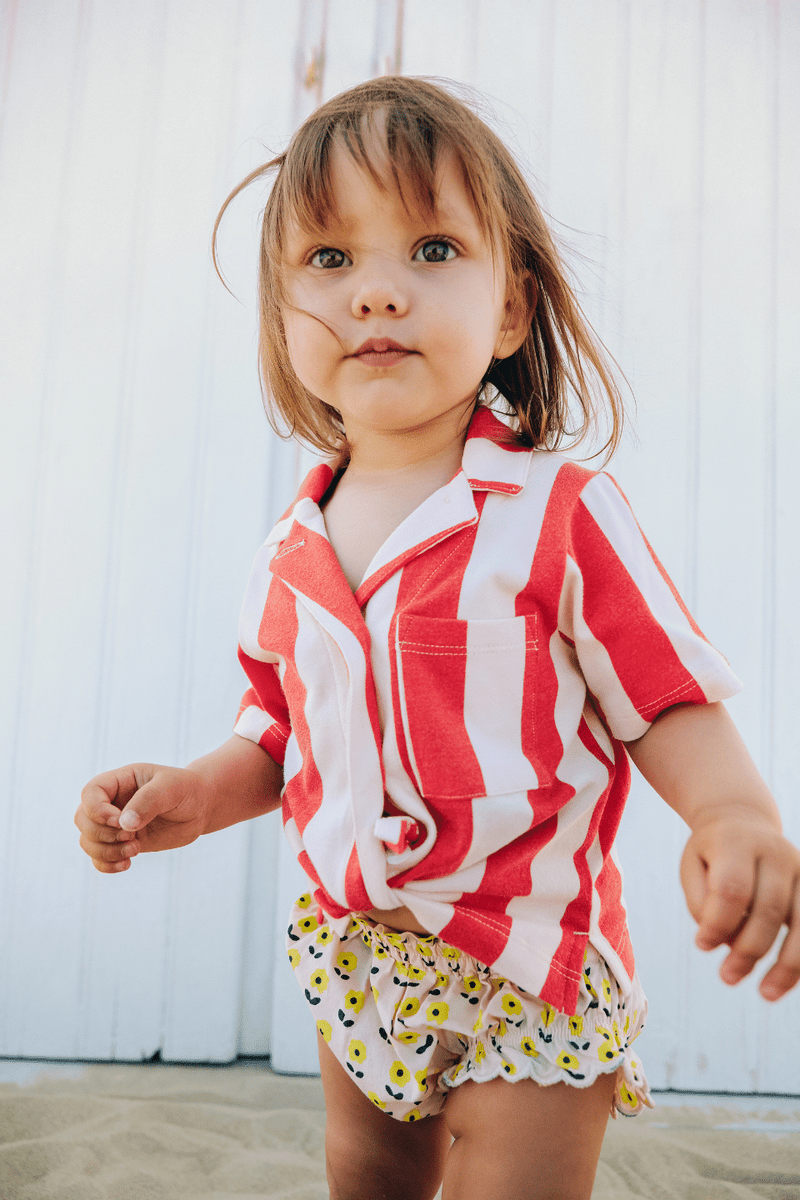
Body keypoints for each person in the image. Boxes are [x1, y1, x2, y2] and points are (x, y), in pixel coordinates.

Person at [75, 77, 800, 1200]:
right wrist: (195, 792)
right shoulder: (291, 545)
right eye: (328, 262)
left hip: (529, 958)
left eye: (428, 249)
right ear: (279, 316)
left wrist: (731, 810)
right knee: (363, 1174)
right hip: (357, 945)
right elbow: (276, 727)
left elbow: (659, 692)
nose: (375, 295)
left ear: (509, 310)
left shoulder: (555, 515)